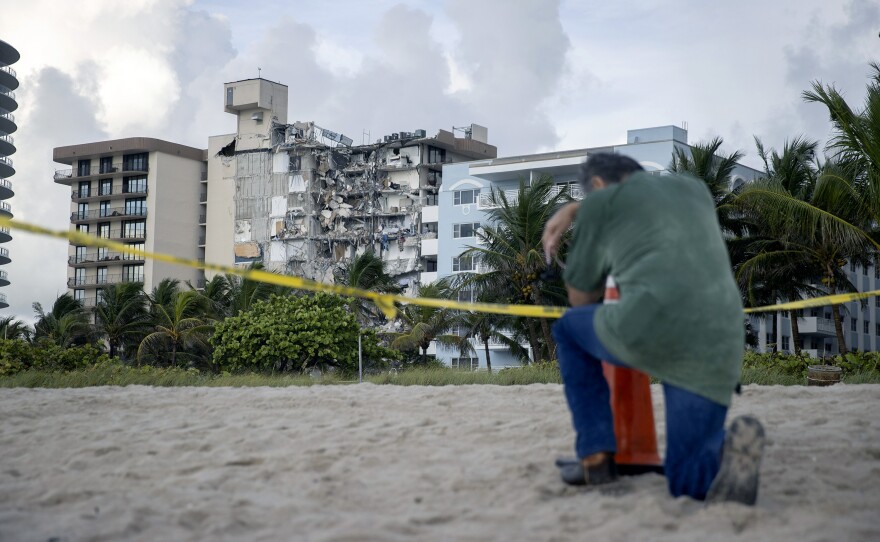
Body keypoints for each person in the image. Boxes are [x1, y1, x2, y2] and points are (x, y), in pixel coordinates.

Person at [542, 153, 765, 505]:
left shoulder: (601, 203)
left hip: (653, 327)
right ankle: (721, 454)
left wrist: (577, 219)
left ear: (597, 186)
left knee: (570, 329)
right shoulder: (694, 189)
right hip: (720, 336)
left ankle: (596, 459)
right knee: (688, 480)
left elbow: (581, 298)